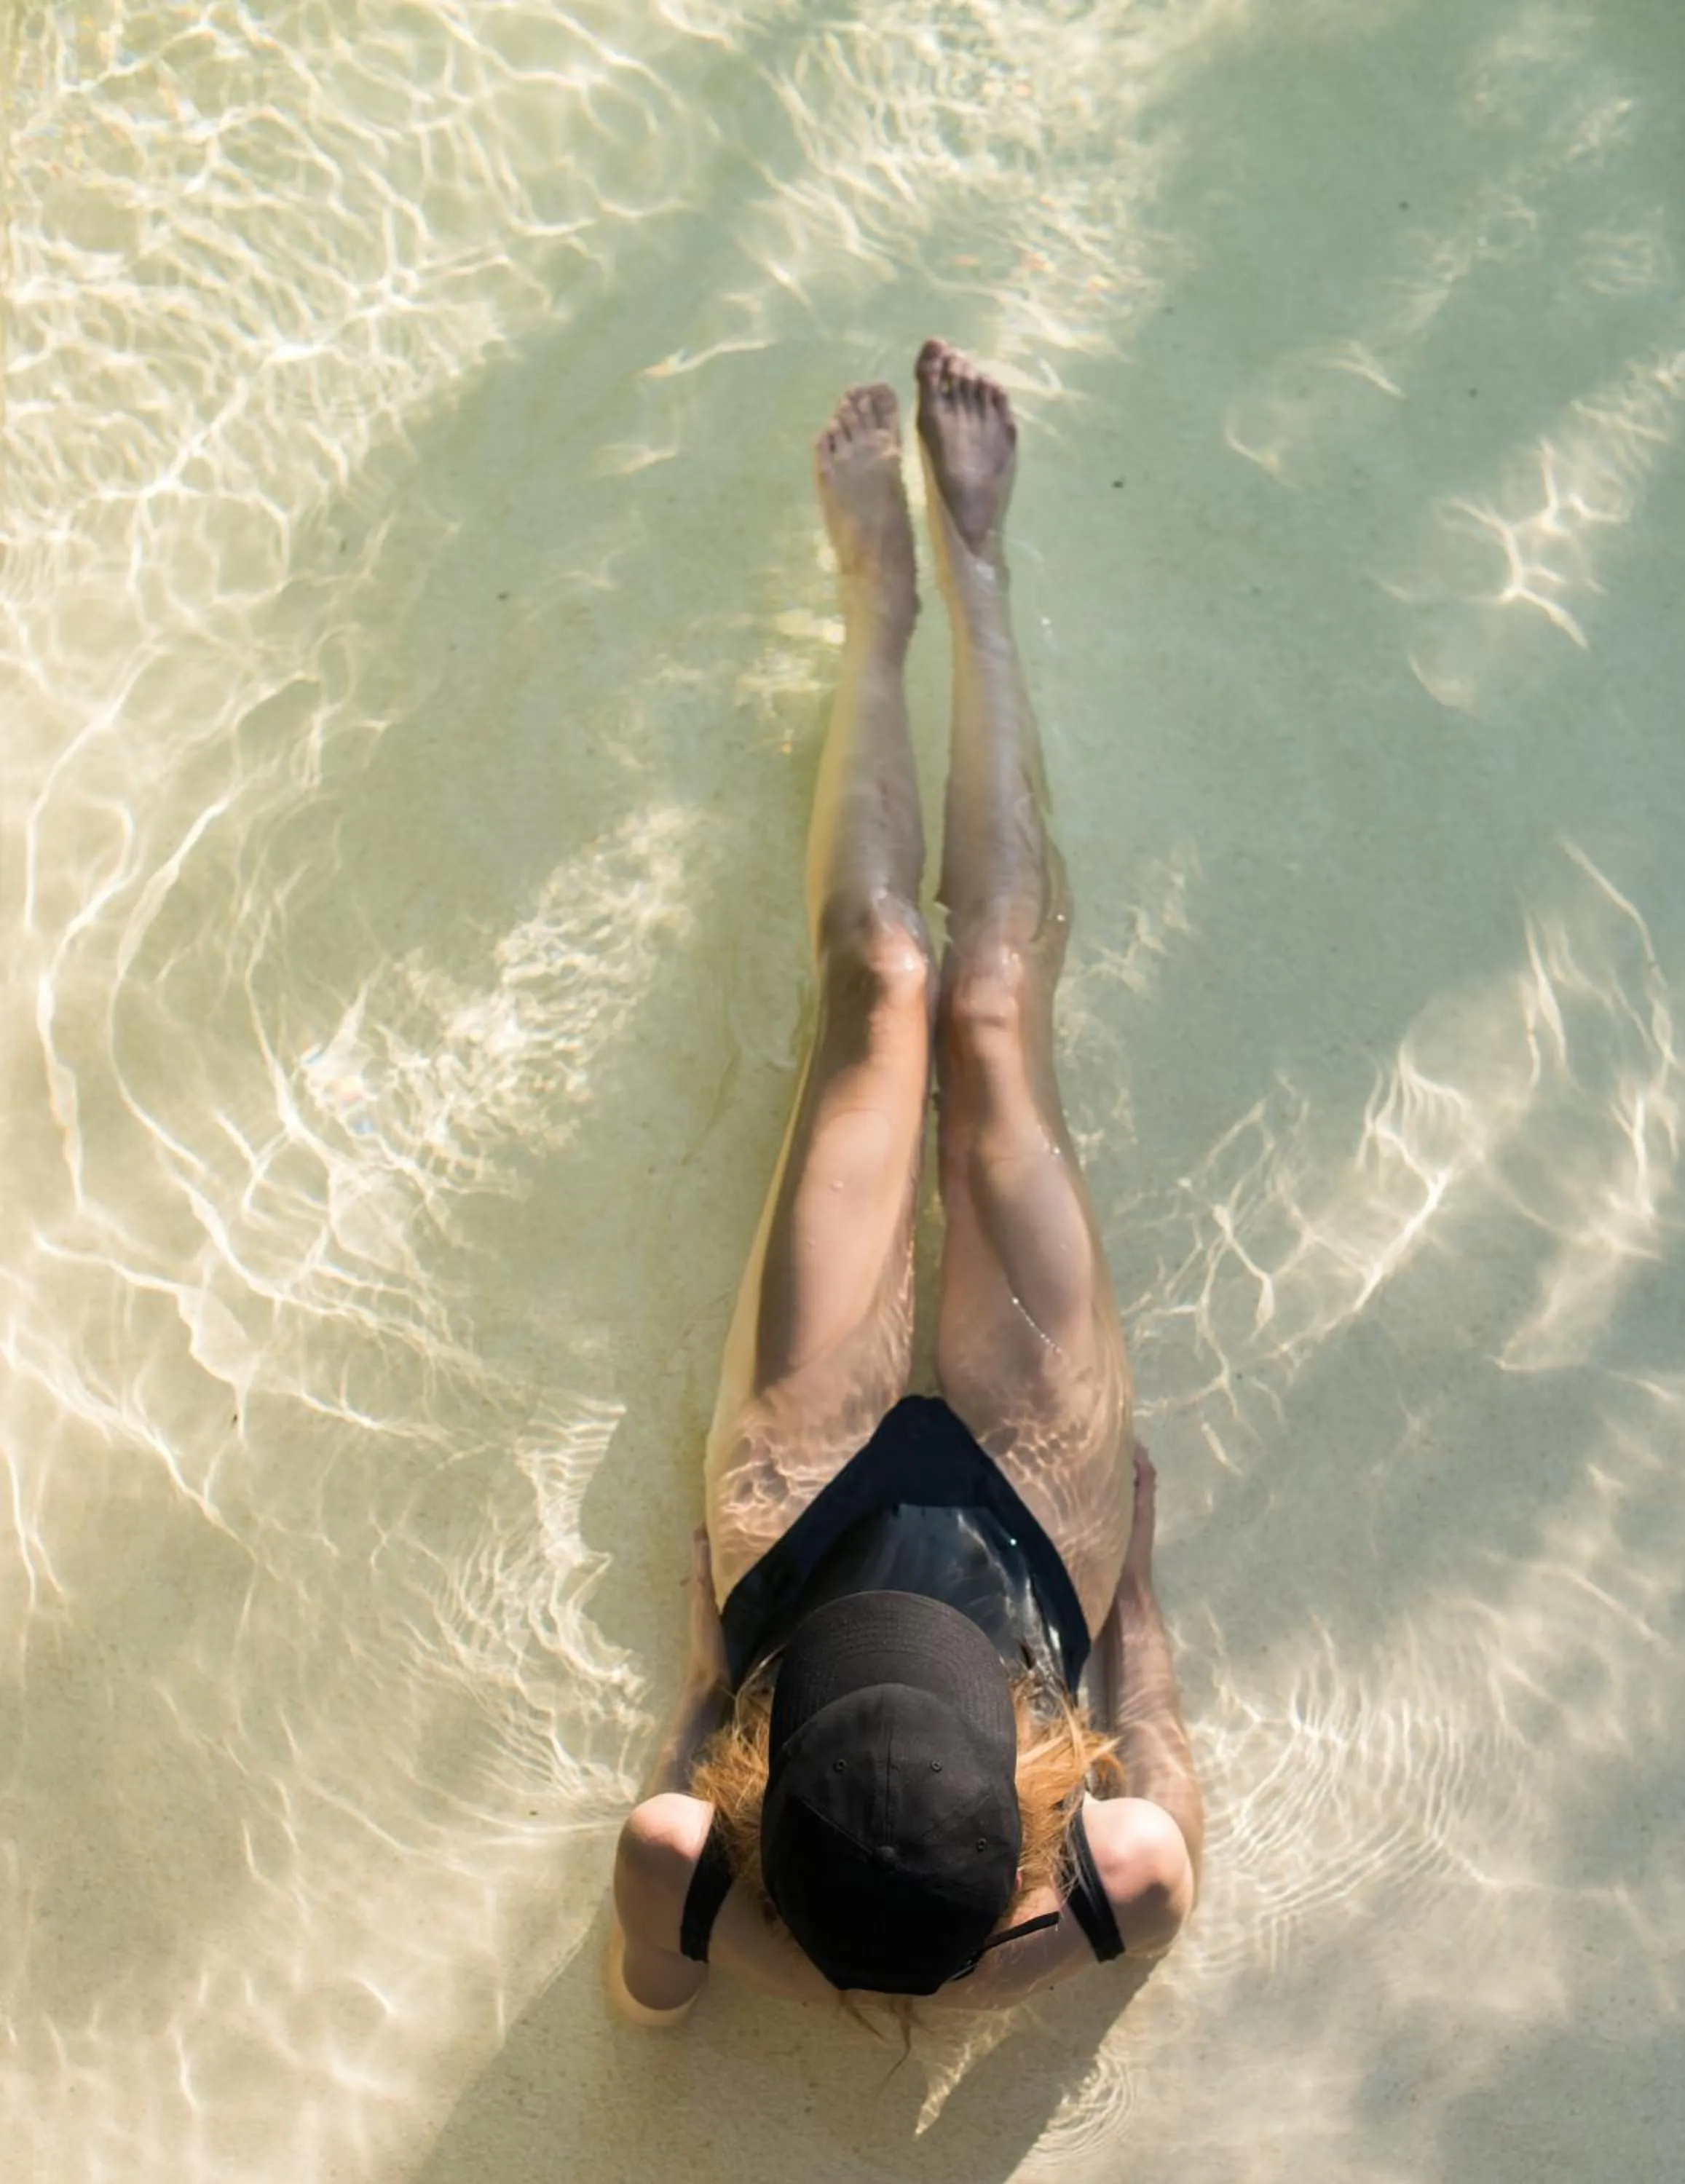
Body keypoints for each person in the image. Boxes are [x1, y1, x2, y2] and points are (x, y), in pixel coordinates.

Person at [608, 341, 1202, 2022]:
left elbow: (648, 1994)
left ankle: (880, 600)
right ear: (1022, 1795)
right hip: (1034, 1540)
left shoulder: (686, 1853)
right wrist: (1137, 1602)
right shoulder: (1112, 1884)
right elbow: (1155, 1802)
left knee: (881, 975)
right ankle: (981, 571)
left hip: (793, 1524)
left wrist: (713, 1674)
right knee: (995, 994)